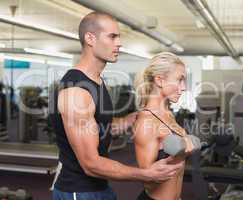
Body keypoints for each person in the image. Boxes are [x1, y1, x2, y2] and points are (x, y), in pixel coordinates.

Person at [50, 12, 183, 200]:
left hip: (99, 188)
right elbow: (90, 164)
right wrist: (146, 174)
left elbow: (100, 128)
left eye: (119, 37)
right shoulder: (76, 91)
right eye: (112, 36)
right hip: (78, 191)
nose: (119, 43)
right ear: (90, 38)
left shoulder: (96, 81)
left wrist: (133, 118)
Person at [134, 52, 196, 200]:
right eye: (179, 80)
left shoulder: (167, 114)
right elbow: (148, 181)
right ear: (160, 80)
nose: (183, 87)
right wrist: (181, 154)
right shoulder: (147, 122)